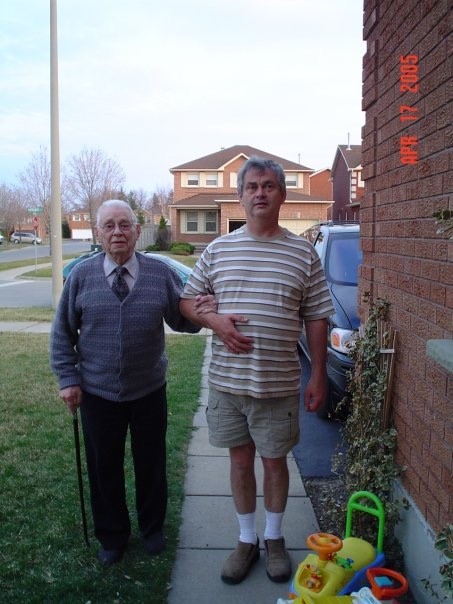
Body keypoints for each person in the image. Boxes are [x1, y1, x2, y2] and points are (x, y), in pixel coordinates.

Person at [180, 157, 334, 585]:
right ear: (241, 196)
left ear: (282, 194)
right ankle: (246, 539)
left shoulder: (303, 252)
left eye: (269, 185)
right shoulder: (218, 249)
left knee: (274, 463)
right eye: (252, 186)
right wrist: (214, 321)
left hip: (279, 383)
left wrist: (319, 373)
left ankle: (274, 537)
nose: (260, 193)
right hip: (228, 384)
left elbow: (318, 316)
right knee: (240, 461)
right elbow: (187, 302)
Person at [50, 199, 214, 566]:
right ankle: (112, 536)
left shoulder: (159, 274)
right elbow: (62, 334)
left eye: (125, 224)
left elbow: (180, 319)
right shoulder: (81, 276)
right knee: (103, 467)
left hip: (148, 390)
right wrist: (67, 379)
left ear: (138, 231)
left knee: (151, 463)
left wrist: (203, 314)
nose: (118, 232)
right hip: (97, 392)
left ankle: (152, 529)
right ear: (98, 233)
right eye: (109, 226)